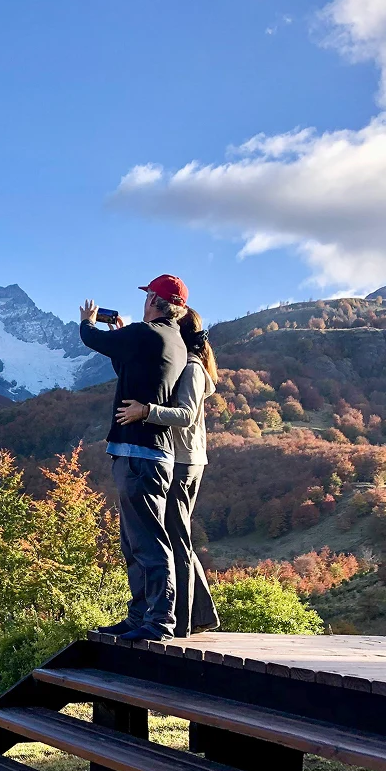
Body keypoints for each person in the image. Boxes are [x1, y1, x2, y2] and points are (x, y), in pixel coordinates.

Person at [79, 275, 188, 642]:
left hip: (139, 454)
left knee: (148, 542)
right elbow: (128, 367)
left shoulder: (147, 333)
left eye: (148, 297)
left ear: (154, 300)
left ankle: (158, 622)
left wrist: (88, 320)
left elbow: (94, 340)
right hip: (150, 454)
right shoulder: (171, 340)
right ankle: (140, 616)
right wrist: (124, 331)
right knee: (135, 541)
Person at [115, 307, 220, 637]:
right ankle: (195, 617)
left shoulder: (190, 368)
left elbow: (186, 415)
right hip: (174, 459)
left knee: (175, 541)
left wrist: (146, 411)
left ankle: (182, 623)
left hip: (182, 462)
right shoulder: (181, 363)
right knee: (172, 539)